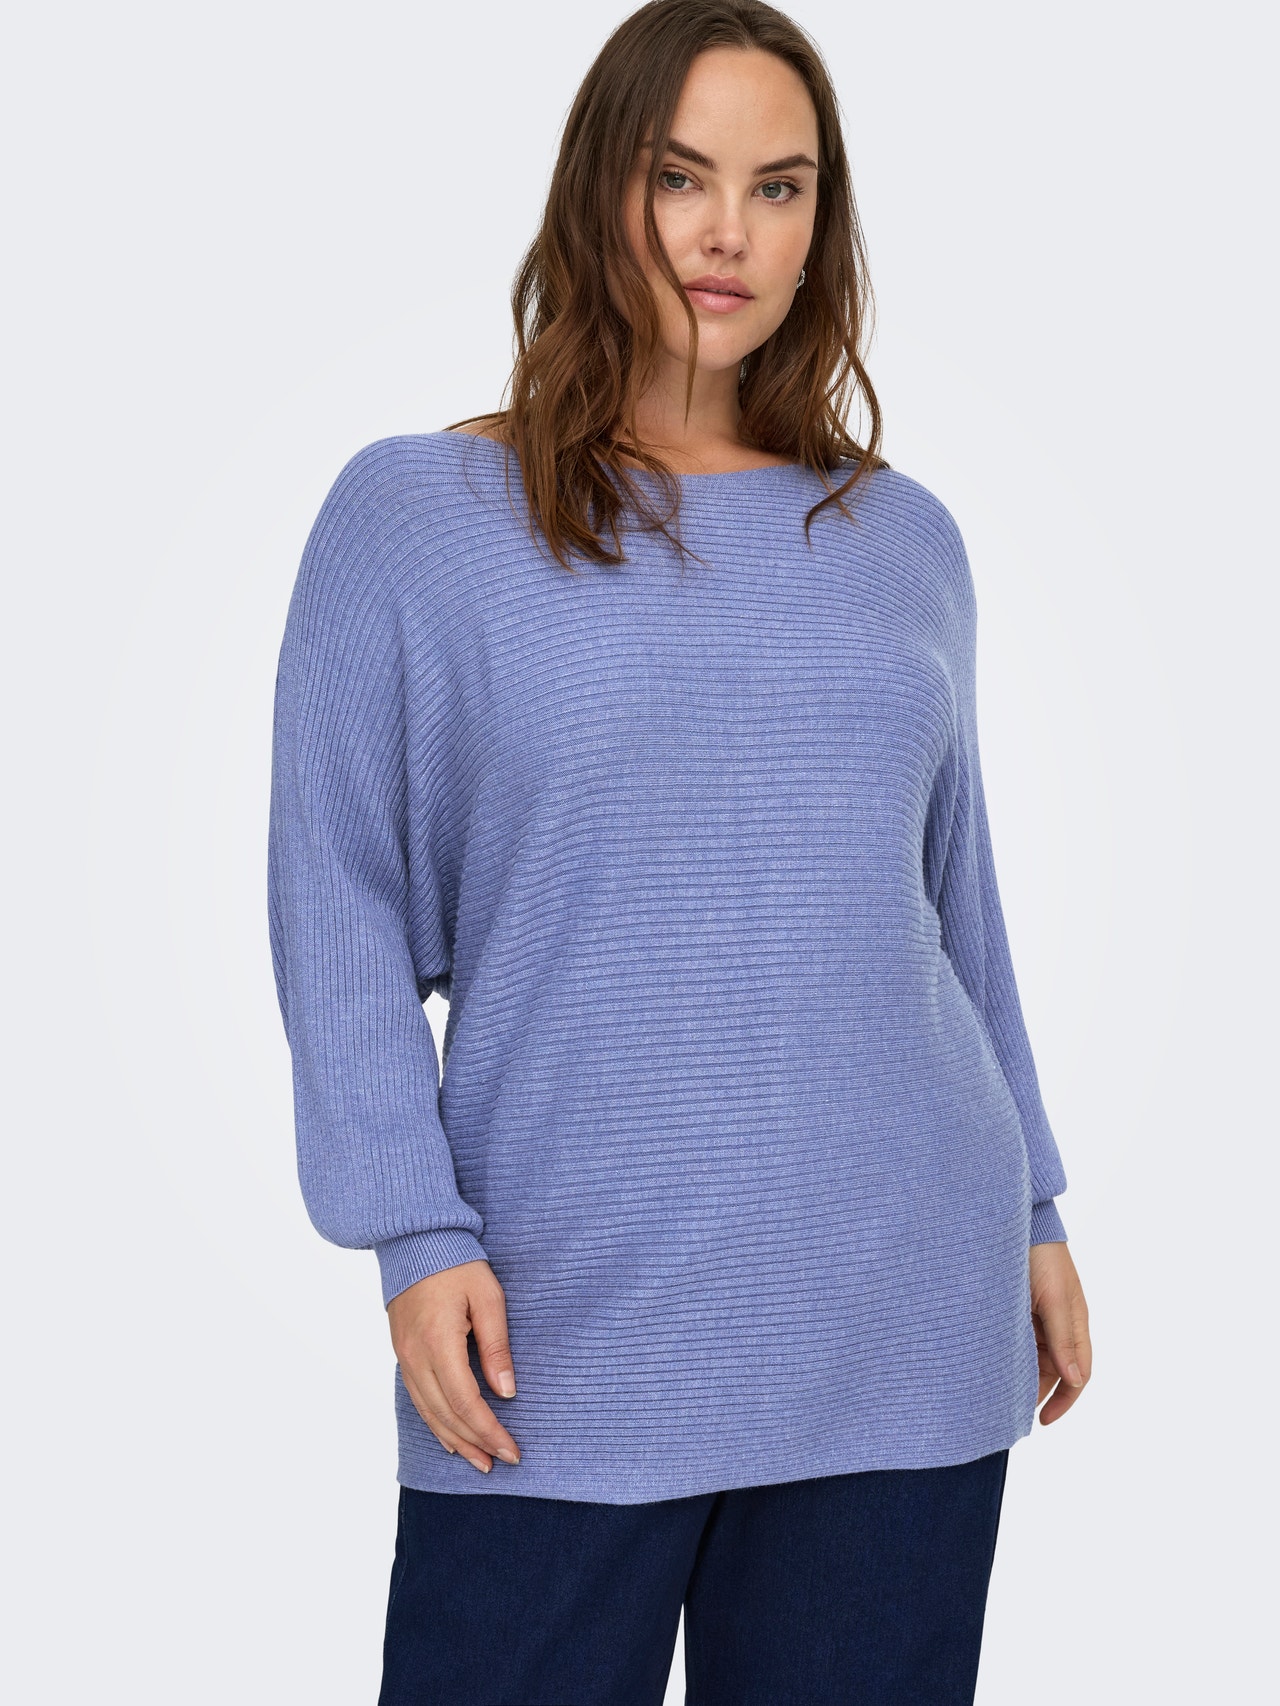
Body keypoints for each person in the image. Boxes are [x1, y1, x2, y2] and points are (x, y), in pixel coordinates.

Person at [267, 2, 1092, 1700]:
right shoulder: (418, 516)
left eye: (780, 188)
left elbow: (952, 903)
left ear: (820, 226)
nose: (730, 232)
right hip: (557, 1326)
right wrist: (412, 1232)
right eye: (681, 177)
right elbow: (335, 887)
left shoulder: (901, 538)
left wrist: (1033, 1206)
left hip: (902, 1306)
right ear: (603, 190)